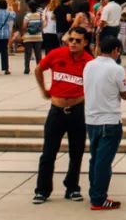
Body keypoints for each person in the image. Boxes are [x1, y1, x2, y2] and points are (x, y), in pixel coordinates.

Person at [32, 26, 94, 204]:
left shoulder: (89, 62)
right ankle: (42, 190)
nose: (73, 43)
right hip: (57, 111)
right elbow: (38, 69)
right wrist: (44, 90)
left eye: (78, 41)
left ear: (85, 43)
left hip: (77, 111)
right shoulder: (56, 54)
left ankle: (72, 187)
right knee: (48, 152)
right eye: (71, 39)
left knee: (77, 152)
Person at [83, 36, 126, 210]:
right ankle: (99, 198)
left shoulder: (89, 65)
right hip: (109, 120)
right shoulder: (116, 69)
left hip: (91, 119)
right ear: (115, 51)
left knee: (95, 159)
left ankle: (94, 192)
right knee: (103, 162)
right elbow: (125, 94)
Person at [22, 6, 44, 75]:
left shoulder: (27, 16)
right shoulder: (39, 16)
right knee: (38, 54)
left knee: (27, 54)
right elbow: (43, 25)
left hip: (28, 37)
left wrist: (25, 32)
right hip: (38, 37)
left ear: (29, 8)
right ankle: (39, 69)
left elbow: (24, 26)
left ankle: (27, 69)